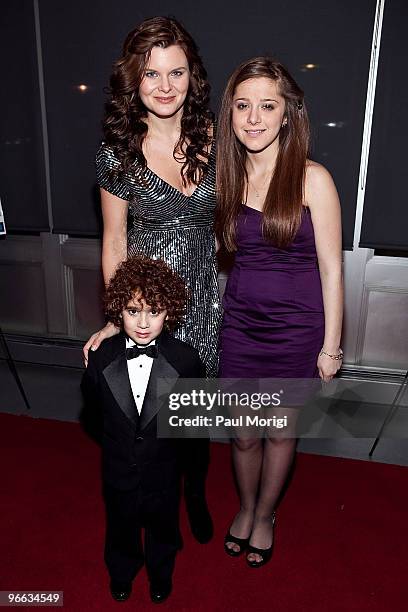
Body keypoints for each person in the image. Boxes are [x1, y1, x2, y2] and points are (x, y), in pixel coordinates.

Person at [84, 16, 220, 543]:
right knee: (153, 419)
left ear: (193, 76)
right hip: (150, 305)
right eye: (151, 74)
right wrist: (120, 318)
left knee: (200, 410)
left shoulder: (216, 139)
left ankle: (196, 493)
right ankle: (156, 504)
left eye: (177, 72)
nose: (165, 87)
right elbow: (114, 240)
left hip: (205, 298)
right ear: (133, 81)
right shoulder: (117, 154)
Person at [216, 57, 343, 567]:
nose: (254, 118)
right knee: (244, 433)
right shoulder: (225, 176)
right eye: (243, 106)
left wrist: (331, 346)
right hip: (242, 324)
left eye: (267, 106)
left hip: (296, 331)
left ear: (287, 113)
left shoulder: (314, 179)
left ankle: (266, 514)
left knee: (279, 430)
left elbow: (333, 269)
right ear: (230, 114)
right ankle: (246, 507)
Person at [81, 255, 205, 603]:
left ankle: (161, 574)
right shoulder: (102, 357)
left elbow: (193, 422)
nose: (144, 322)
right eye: (134, 311)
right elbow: (91, 409)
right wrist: (114, 442)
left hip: (164, 468)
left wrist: (184, 466)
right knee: (120, 526)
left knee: (163, 527)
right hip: (118, 465)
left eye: (155, 311)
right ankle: (122, 572)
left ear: (170, 311)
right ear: (119, 310)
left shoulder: (186, 360)